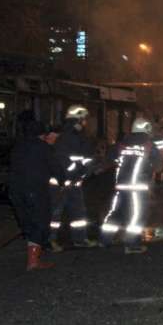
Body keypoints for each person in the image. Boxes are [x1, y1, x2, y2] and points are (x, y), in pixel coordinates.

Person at [100, 118, 163, 253]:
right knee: (137, 215)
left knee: (116, 213)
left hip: (121, 185)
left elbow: (110, 159)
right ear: (147, 129)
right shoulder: (149, 145)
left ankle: (104, 240)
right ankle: (132, 244)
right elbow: (159, 166)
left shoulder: (121, 144)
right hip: (138, 187)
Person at [9, 121, 64, 270]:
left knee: (27, 220)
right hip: (35, 190)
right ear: (42, 134)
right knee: (40, 220)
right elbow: (56, 168)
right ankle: (33, 261)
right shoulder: (43, 148)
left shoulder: (18, 147)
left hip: (15, 190)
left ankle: (33, 253)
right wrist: (62, 180)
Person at [49, 105, 98, 251]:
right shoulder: (67, 137)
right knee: (55, 215)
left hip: (74, 183)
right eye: (84, 120)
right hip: (62, 183)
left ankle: (80, 239)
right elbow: (62, 160)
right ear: (79, 120)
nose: (86, 123)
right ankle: (49, 241)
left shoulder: (77, 137)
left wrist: (86, 171)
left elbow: (85, 159)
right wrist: (77, 171)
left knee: (78, 213)